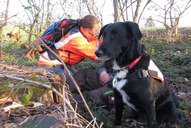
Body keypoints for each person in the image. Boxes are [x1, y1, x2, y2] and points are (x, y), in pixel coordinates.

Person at [38, 15, 101, 80]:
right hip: (50, 64)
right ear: (88, 30)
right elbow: (95, 54)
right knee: (74, 83)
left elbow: (94, 45)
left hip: (59, 62)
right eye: (96, 30)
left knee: (78, 78)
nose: (98, 32)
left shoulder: (79, 31)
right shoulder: (76, 39)